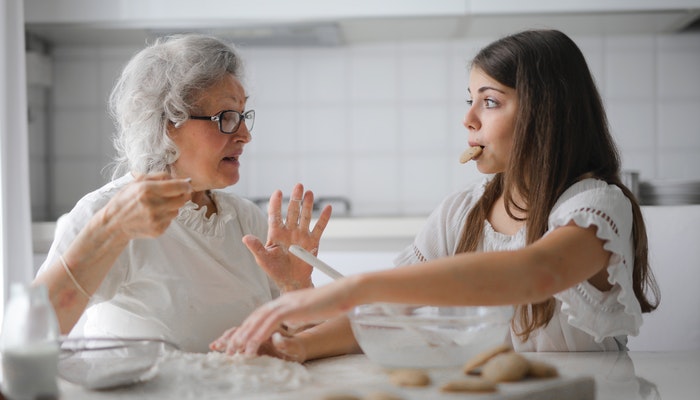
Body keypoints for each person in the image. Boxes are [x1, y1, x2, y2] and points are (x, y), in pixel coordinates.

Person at [210, 29, 660, 359]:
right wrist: (298, 346)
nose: (468, 119)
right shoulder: (461, 212)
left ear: (546, 113)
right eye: (469, 100)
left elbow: (537, 272)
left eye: (489, 101)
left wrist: (357, 285)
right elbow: (391, 312)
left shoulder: (596, 206)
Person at [33, 34, 331, 353]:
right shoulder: (106, 211)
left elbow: (294, 344)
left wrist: (296, 288)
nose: (245, 135)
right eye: (226, 118)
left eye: (243, 116)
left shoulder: (245, 219)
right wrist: (109, 230)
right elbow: (33, 331)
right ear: (166, 124)